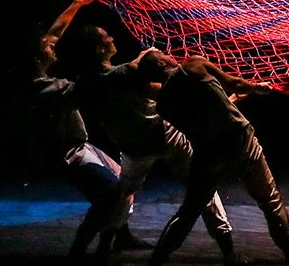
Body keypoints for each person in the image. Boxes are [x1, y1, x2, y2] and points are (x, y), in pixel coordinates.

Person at [69, 25, 236, 261]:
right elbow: (141, 73)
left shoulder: (87, 81)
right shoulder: (122, 74)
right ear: (98, 48)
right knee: (202, 188)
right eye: (108, 37)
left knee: (124, 192)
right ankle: (228, 250)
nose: (112, 37)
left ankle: (106, 243)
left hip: (134, 147)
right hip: (166, 139)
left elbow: (140, 77)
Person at [142, 53, 289, 266]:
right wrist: (254, 88)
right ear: (161, 63)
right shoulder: (193, 65)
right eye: (165, 55)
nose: (171, 55)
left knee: (189, 211)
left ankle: (157, 260)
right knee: (269, 200)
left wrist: (231, 101)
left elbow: (201, 116)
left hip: (207, 153)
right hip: (239, 142)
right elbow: (234, 83)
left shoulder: (163, 106)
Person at [32, 0, 144, 258]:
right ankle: (79, 249)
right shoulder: (43, 89)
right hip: (67, 152)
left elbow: (55, 32)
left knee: (126, 182)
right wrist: (137, 67)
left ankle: (120, 236)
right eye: (46, 47)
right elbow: (92, 87)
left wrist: (79, 1)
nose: (51, 45)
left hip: (80, 145)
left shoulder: (41, 72)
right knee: (110, 196)